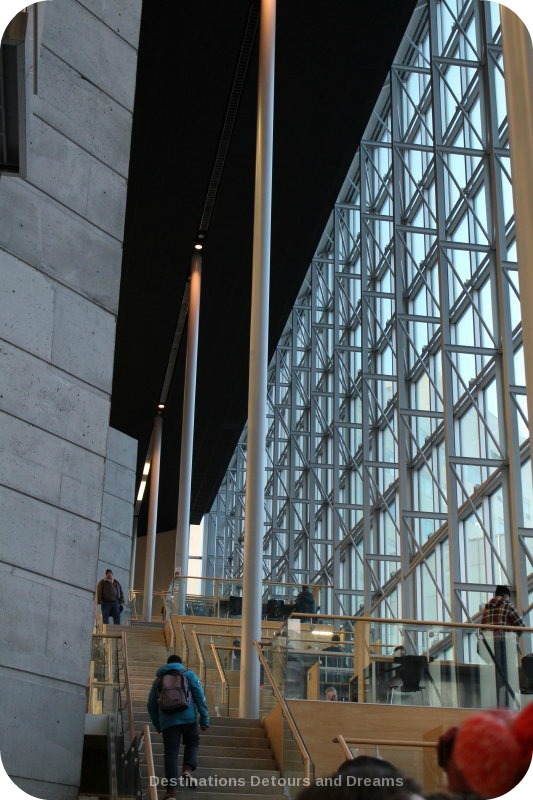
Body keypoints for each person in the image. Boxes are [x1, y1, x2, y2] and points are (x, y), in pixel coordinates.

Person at [147, 654, 209, 798]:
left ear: (167, 664)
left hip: (168, 723)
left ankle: (170, 793)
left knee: (171, 754)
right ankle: (187, 769)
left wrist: (158, 725)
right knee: (192, 742)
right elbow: (200, 697)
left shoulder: (158, 681)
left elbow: (150, 705)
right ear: (181, 663)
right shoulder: (189, 675)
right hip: (189, 719)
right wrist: (204, 719)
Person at [479, 585, 524, 707]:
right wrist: (514, 635)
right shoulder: (507, 605)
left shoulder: (486, 609)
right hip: (506, 645)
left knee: (497, 675)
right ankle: (507, 705)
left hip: (490, 647)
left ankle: (497, 704)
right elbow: (521, 624)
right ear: (506, 595)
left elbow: (481, 631)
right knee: (509, 676)